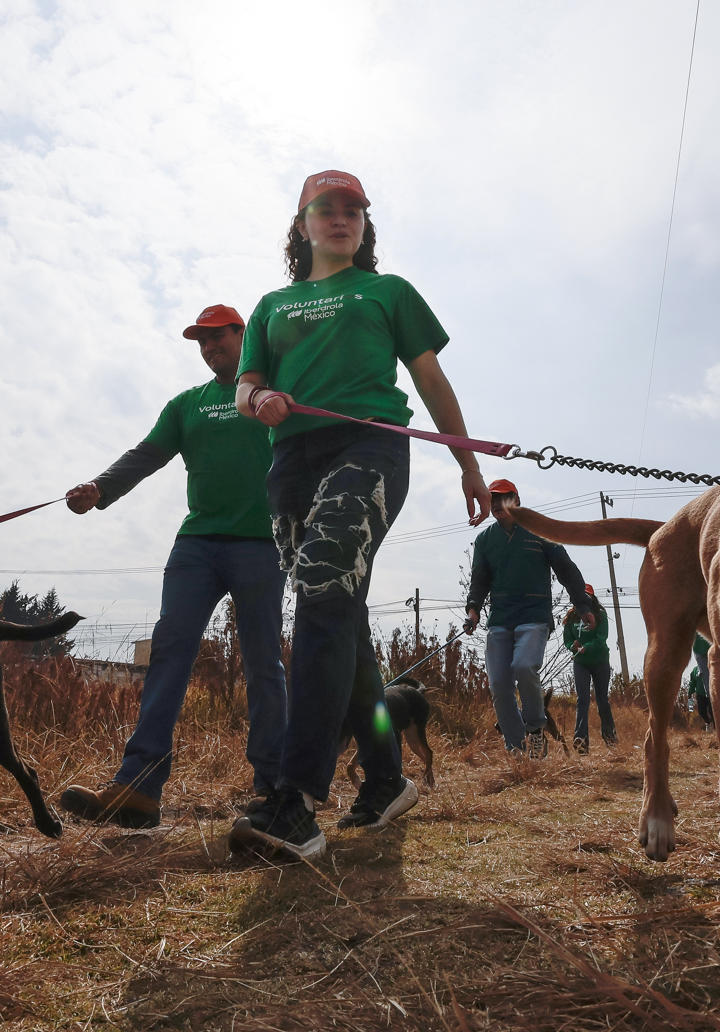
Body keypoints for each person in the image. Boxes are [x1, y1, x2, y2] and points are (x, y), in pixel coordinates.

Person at [229, 169, 491, 860]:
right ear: (302, 225)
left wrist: (469, 465)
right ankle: (386, 778)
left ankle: (294, 800)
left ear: (365, 224)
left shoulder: (388, 291)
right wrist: (258, 401)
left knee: (322, 590)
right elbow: (245, 385)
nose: (341, 218)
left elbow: (430, 378)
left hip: (369, 445)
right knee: (338, 611)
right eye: (326, 209)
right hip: (291, 459)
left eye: (354, 210)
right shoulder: (272, 305)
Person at [57, 305, 287, 829]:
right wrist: (100, 487)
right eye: (201, 341)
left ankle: (275, 789)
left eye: (218, 337)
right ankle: (138, 788)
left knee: (262, 662)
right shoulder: (187, 405)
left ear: (243, 335)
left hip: (261, 544)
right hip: (197, 545)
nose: (209, 348)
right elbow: (147, 454)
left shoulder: (273, 395)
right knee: (169, 651)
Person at [465, 478, 597, 757]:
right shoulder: (485, 540)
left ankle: (535, 729)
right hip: (500, 619)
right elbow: (479, 580)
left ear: (517, 501)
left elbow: (566, 569)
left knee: (525, 666)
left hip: (534, 617)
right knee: (499, 684)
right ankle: (515, 746)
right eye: (493, 499)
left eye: (504, 498)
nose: (498, 504)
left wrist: (583, 606)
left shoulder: (539, 532)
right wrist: (473, 609)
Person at [561, 585, 618, 750]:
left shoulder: (600, 614)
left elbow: (601, 638)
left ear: (592, 598)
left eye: (587, 597)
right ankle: (581, 740)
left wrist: (587, 647)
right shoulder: (571, 617)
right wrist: (572, 646)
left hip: (600, 661)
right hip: (581, 663)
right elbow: (567, 640)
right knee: (582, 699)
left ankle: (610, 737)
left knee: (602, 700)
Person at [689, 635, 714, 730]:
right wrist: (690, 708)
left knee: (712, 709)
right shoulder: (694, 671)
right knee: (702, 712)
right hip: (700, 695)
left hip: (710, 693)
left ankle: (715, 727)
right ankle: (708, 722)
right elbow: (691, 687)